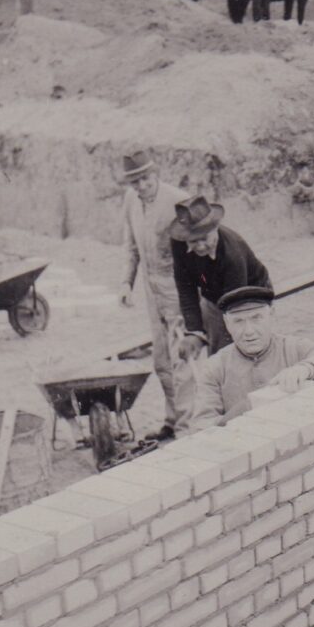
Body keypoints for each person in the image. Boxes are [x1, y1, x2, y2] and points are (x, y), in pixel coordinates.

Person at [190, 286, 314, 431]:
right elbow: (200, 427)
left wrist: (306, 368)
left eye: (256, 318)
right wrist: (244, 410)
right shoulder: (214, 367)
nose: (248, 331)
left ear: (272, 315)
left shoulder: (292, 347)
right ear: (226, 323)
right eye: (238, 321)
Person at [119, 151, 193, 440]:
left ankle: (187, 429)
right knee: (161, 361)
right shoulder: (130, 202)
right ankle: (172, 421)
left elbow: (196, 251)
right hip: (152, 293)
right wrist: (126, 282)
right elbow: (132, 247)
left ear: (156, 174)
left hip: (178, 291)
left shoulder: (178, 201)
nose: (141, 187)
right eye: (135, 182)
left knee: (182, 359)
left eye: (145, 179)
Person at [170, 195, 271, 358]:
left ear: (215, 228)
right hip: (212, 291)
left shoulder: (232, 253)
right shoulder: (179, 243)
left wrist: (228, 340)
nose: (200, 246)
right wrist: (194, 332)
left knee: (244, 347)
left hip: (249, 293)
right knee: (218, 354)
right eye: (193, 241)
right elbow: (185, 287)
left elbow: (236, 307)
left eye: (204, 238)